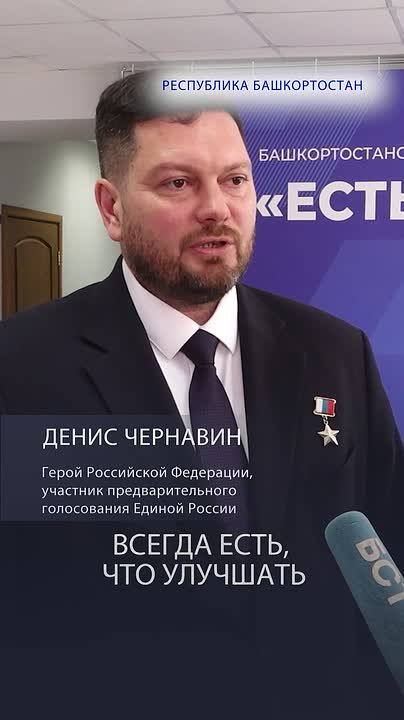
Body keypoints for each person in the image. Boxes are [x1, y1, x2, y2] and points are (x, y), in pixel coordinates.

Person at [0, 70, 403, 718]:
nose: (217, 207)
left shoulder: (335, 353)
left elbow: (387, 551)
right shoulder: (22, 371)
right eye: (178, 183)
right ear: (111, 208)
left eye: (234, 179)